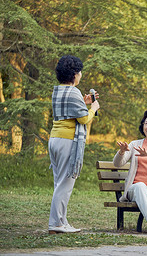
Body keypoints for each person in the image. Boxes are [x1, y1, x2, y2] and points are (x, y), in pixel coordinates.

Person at [48, 55, 100, 234]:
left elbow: (69, 112)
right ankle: (55, 224)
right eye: (80, 72)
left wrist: (84, 103)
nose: (81, 75)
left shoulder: (58, 90)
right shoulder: (73, 92)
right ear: (75, 74)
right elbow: (84, 118)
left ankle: (61, 221)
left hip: (54, 139)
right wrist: (93, 108)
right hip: (67, 140)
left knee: (59, 182)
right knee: (65, 183)